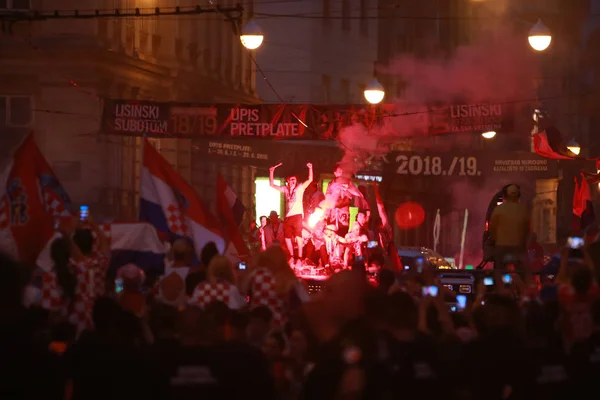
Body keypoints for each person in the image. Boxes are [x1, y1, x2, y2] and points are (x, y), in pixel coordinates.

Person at [269, 162, 313, 265]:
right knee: (287, 237)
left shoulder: (300, 188)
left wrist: (310, 168)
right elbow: (272, 185)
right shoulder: (285, 189)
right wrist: (271, 172)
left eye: (294, 179)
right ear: (287, 181)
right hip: (288, 216)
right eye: (291, 179)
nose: (293, 181)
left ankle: (300, 258)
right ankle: (292, 256)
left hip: (297, 215)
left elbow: (310, 179)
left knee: (298, 236)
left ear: (296, 180)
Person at [488, 184, 530, 270]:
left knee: (499, 271)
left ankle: (499, 282)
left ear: (505, 196)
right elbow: (527, 230)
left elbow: (492, 228)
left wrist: (493, 241)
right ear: (518, 196)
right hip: (518, 248)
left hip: (501, 247)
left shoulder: (498, 210)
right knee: (520, 271)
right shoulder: (523, 210)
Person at [325, 164, 363, 237]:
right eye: (339, 171)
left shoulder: (348, 183)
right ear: (335, 173)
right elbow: (327, 198)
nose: (341, 173)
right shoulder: (331, 184)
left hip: (343, 217)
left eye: (342, 171)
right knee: (332, 237)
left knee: (342, 236)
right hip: (332, 216)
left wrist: (336, 204)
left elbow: (349, 198)